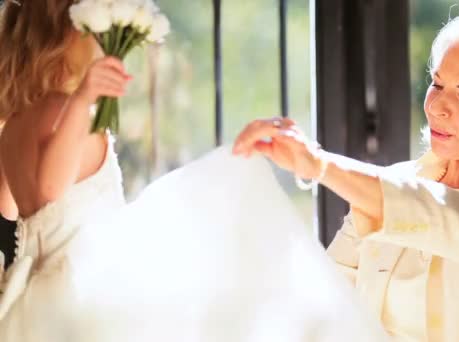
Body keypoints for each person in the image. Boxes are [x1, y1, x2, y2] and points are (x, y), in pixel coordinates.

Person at [0, 1, 389, 341]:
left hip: (29, 295)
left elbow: (11, 209)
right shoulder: (74, 112)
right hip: (79, 298)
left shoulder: (13, 123)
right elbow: (51, 190)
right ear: (74, 29)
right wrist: (85, 99)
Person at [233, 4, 459, 342]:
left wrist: (321, 165)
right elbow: (324, 297)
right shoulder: (395, 183)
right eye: (437, 84)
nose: (437, 107)